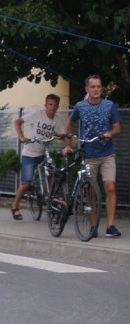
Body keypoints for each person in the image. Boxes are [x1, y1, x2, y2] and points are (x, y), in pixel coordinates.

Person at [64, 75, 122, 237]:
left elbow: (117, 127)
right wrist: (68, 145)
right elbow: (70, 123)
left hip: (107, 153)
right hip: (88, 154)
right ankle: (93, 225)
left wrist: (110, 133)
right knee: (90, 192)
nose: (96, 89)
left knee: (110, 187)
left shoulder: (109, 105)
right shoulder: (80, 106)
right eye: (93, 87)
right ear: (87, 89)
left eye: (98, 86)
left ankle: (110, 226)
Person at [8, 95, 65, 220]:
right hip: (29, 153)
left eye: (55, 105)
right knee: (26, 182)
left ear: (58, 106)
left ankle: (51, 198)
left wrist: (62, 136)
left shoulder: (57, 120)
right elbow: (17, 122)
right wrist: (22, 137)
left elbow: (63, 134)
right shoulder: (37, 114)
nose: (53, 107)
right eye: (50, 104)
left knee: (53, 173)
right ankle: (15, 206)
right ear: (45, 105)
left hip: (43, 153)